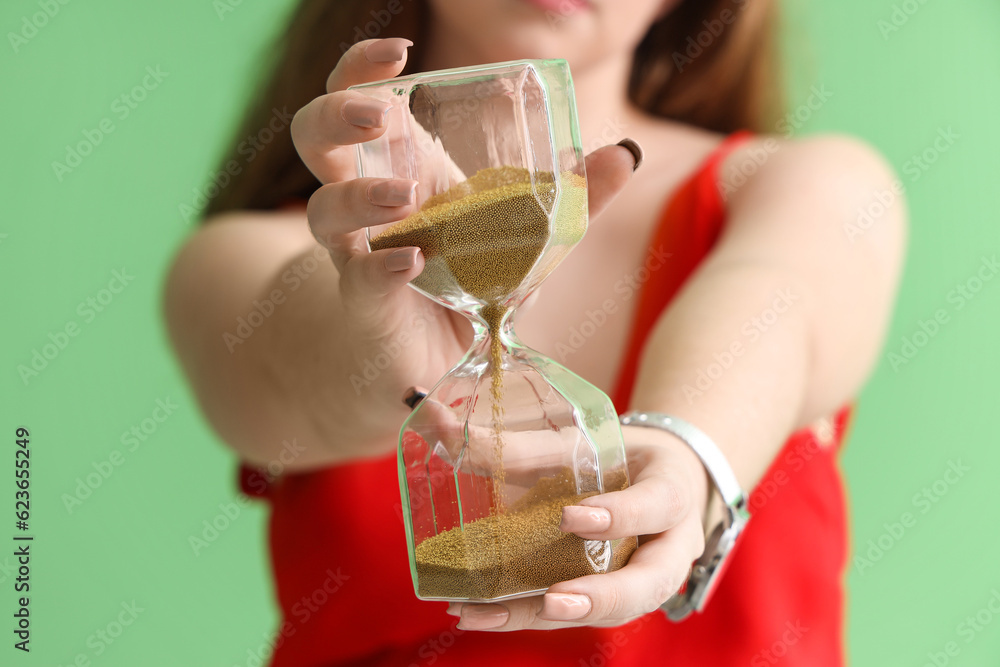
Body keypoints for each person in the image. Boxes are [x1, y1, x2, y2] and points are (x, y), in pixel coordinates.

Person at [164, 0, 906, 664]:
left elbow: (776, 306)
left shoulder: (809, 188)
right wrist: (385, 346)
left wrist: (687, 447)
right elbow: (279, 376)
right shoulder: (246, 258)